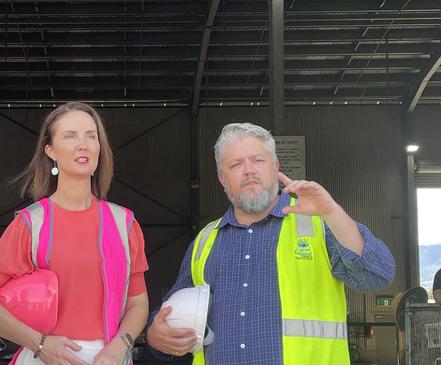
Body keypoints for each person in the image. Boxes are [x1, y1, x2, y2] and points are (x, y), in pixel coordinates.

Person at [146, 122, 395, 365]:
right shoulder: (204, 241)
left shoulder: (319, 226)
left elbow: (377, 275)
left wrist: (331, 211)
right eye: (236, 164)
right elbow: (169, 314)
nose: (249, 170)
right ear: (222, 178)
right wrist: (155, 334)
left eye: (258, 160)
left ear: (275, 167)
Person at [0, 102, 149, 365]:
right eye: (70, 136)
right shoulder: (30, 224)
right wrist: (39, 344)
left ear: (99, 148)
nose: (83, 144)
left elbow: (138, 304)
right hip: (43, 358)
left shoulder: (124, 223)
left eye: (91, 135)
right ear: (50, 150)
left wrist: (119, 347)